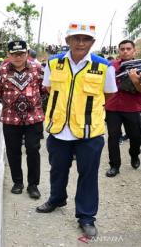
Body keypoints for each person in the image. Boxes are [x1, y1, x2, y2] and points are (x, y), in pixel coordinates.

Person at [36, 22, 117, 239]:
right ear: (67, 41)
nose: (80, 43)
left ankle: (86, 217)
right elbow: (49, 88)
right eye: (76, 38)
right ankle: (56, 198)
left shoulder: (103, 66)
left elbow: (109, 94)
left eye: (86, 39)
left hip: (90, 133)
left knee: (88, 175)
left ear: (92, 42)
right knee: (57, 169)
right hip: (59, 129)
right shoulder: (54, 63)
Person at [0, 40, 45, 199]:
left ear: (27, 53)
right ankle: (18, 182)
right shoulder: (1, 71)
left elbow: (45, 89)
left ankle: (33, 185)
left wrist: (34, 105)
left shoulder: (38, 69)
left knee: (33, 149)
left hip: (34, 118)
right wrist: (11, 105)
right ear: (8, 54)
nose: (18, 57)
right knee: (13, 151)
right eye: (14, 54)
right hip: (10, 118)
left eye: (21, 53)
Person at [105, 40, 141, 177]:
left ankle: (134, 154)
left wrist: (135, 80)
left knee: (136, 136)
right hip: (112, 106)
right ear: (118, 51)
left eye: (128, 48)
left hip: (132, 107)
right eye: (122, 49)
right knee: (113, 137)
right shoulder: (110, 66)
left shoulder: (139, 66)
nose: (125, 51)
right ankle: (114, 165)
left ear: (134, 51)